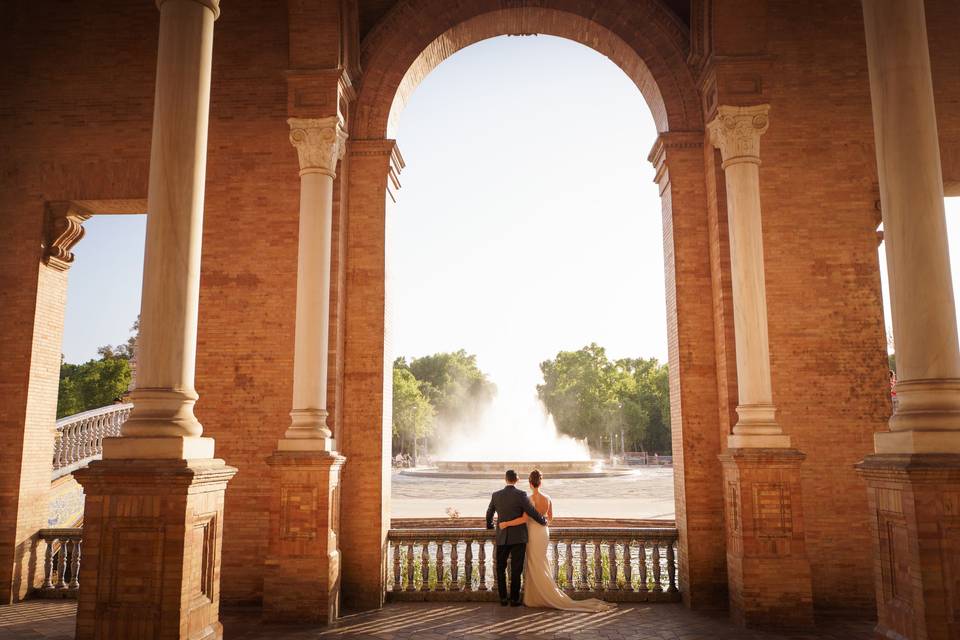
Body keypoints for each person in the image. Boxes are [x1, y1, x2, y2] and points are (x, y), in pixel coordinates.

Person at [498, 469, 615, 612]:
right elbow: (550, 518)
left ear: (530, 483)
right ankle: (543, 593)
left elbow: (525, 518)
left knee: (533, 563)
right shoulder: (547, 498)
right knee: (541, 561)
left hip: (532, 532)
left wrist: (507, 523)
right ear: (540, 482)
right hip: (542, 532)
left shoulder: (527, 498)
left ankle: (534, 597)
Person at [485, 469, 548, 606]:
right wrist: (543, 520)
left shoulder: (496, 495)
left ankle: (503, 599)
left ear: (505, 479)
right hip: (518, 537)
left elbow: (489, 512)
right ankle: (514, 599)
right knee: (516, 569)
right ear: (517, 479)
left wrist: (490, 525)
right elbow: (531, 511)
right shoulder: (521, 495)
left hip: (502, 537)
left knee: (500, 568)